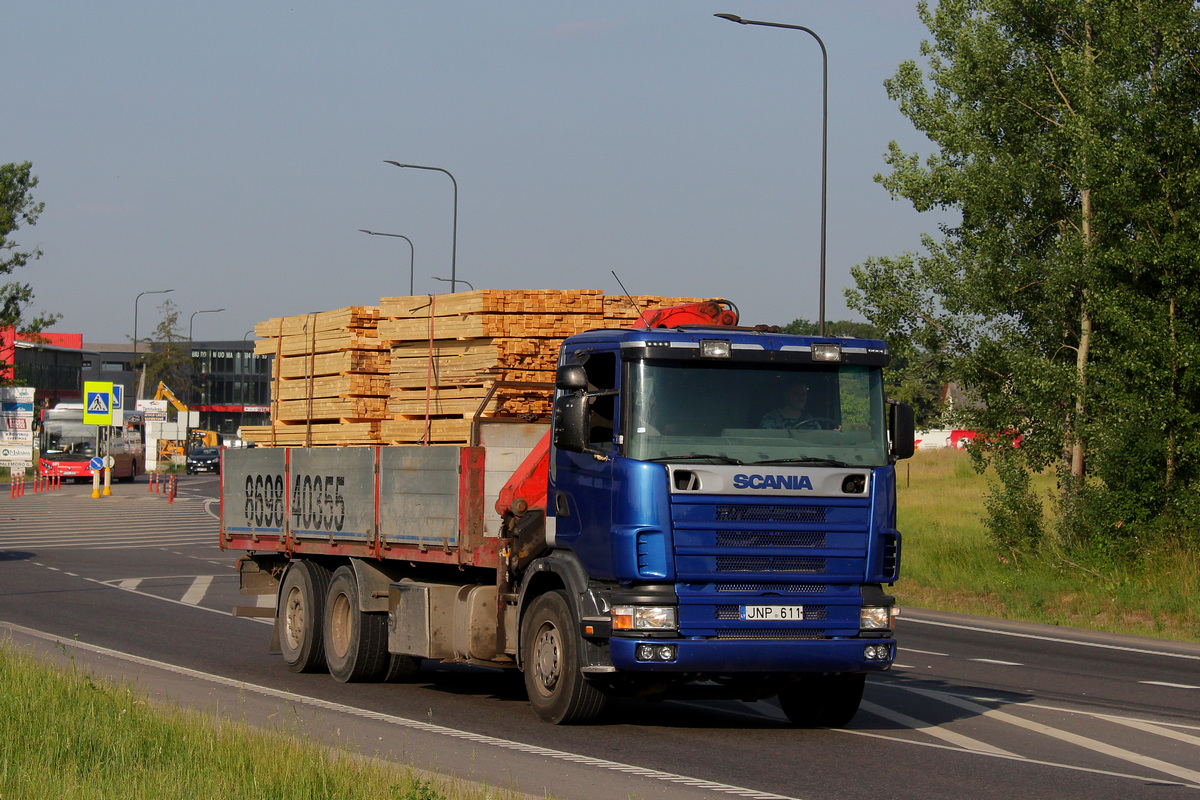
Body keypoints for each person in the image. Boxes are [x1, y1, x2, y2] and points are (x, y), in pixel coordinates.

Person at [760, 378, 826, 430]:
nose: (801, 397)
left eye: (803, 394)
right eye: (797, 393)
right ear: (786, 395)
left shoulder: (810, 421)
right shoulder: (771, 419)